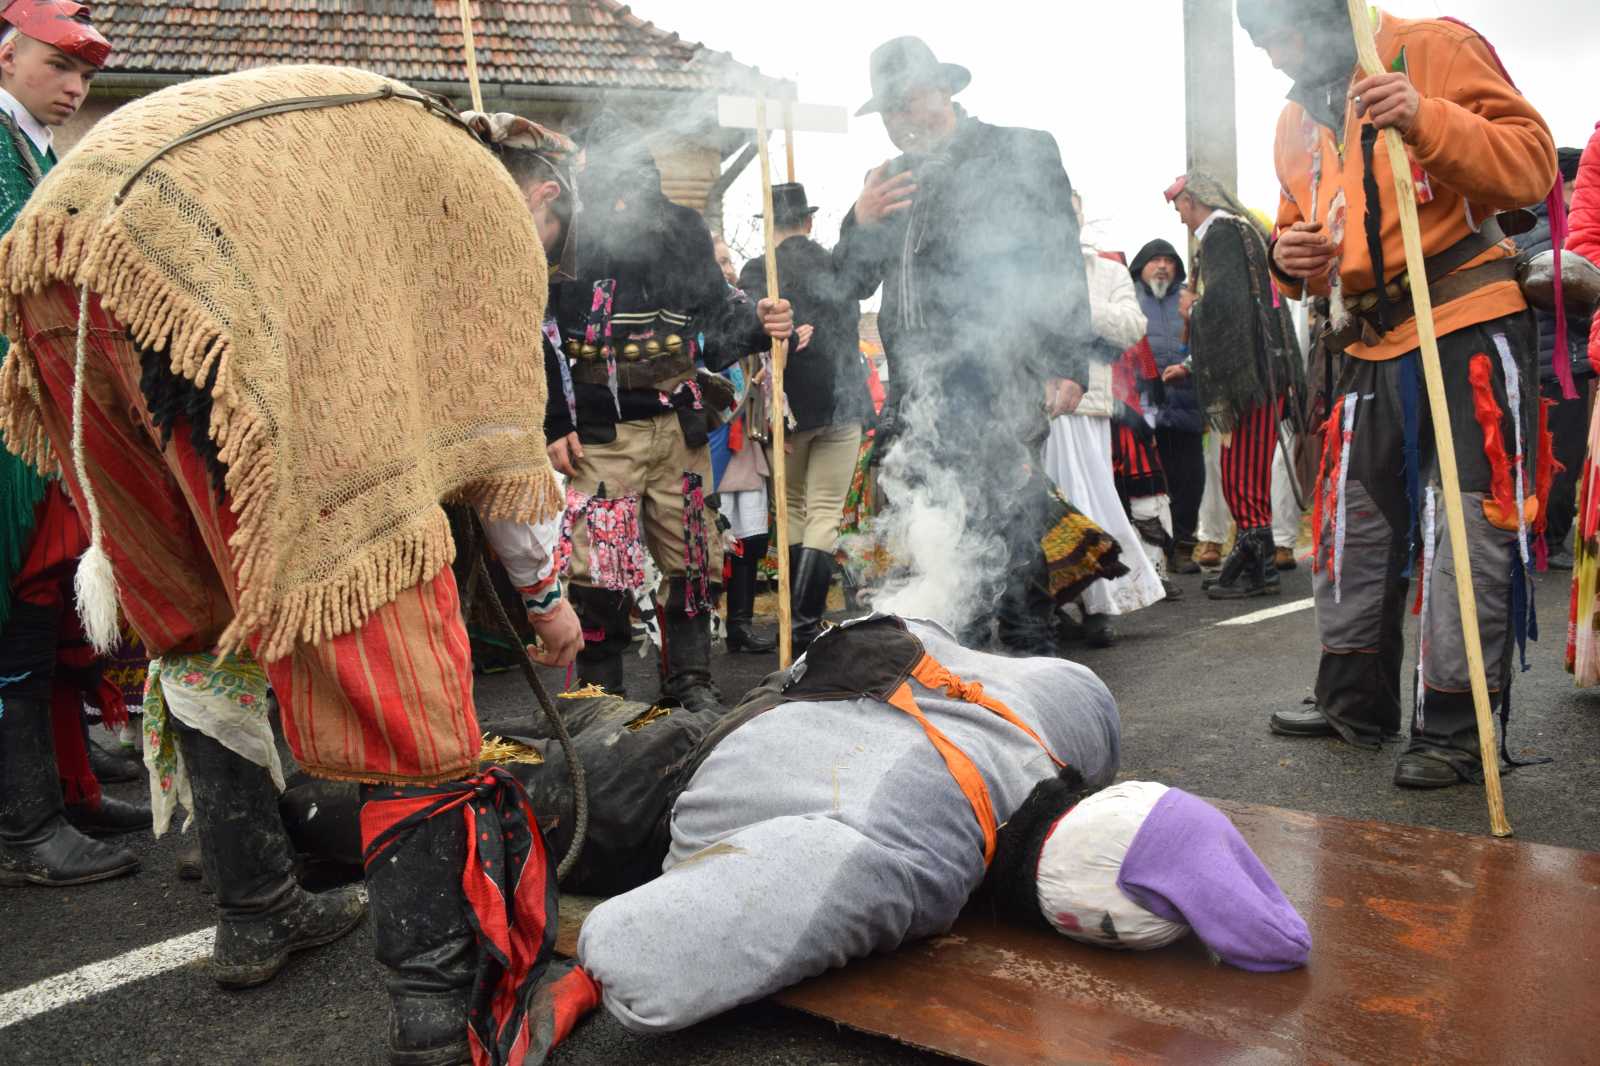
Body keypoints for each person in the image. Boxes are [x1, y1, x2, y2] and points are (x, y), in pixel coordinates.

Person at [0, 70, 599, 1064]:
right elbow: (503, 452)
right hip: (204, 268)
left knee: (196, 617)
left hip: (60, 255)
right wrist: (549, 604)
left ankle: (257, 905)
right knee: (396, 643)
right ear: (540, 200)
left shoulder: (390, 155)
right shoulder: (480, 209)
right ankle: (439, 1020)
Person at [1239, 1, 1558, 788]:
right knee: (1354, 522)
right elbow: (1296, 233)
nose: (1275, 57)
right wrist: (1292, 256)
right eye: (1260, 41)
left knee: (1469, 531)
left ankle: (1455, 723)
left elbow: (1531, 164)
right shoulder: (1292, 120)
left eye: (1281, 35)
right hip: (1366, 337)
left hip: (1465, 315)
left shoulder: (1429, 48)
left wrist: (1422, 115)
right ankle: (1354, 698)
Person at [835, 36, 1093, 655]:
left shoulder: (1019, 150)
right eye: (889, 111)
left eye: (908, 103)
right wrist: (858, 222)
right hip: (916, 389)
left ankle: (1033, 670)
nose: (899, 122)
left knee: (1013, 519)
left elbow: (1059, 257)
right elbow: (847, 281)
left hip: (1002, 370)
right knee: (938, 533)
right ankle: (963, 672)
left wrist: (1066, 361)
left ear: (944, 91)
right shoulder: (887, 183)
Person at [544, 113, 792, 706]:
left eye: (636, 176)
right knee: (599, 567)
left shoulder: (681, 228)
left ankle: (690, 683)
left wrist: (758, 325)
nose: (626, 196)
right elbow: (540, 331)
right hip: (601, 433)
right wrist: (555, 421)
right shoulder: (568, 234)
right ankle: (601, 696)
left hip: (678, 428)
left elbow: (716, 321)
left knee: (693, 556)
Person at [0, 0, 152, 889]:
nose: (76, 88)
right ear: (9, 54)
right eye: (61, 67)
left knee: (55, 607)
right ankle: (28, 829)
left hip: (42, 413)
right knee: (22, 610)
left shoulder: (32, 148)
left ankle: (69, 785)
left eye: (87, 75)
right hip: (11, 420)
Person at [738, 183, 875, 653]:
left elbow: (750, 334)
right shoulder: (834, 262)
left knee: (793, 510)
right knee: (824, 514)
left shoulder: (759, 271)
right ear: (809, 221)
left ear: (768, 225)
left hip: (790, 407)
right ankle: (804, 623)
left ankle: (796, 627)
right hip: (843, 401)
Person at [1164, 172, 1302, 599]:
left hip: (1248, 376)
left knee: (1242, 471)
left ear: (1192, 200)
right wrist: (1192, 363)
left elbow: (1225, 305)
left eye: (1180, 208)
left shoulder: (1221, 232)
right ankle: (1255, 563)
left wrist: (1194, 307)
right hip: (1258, 369)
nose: (1181, 218)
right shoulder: (1239, 231)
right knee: (1248, 470)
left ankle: (1256, 568)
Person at [1043, 195, 1170, 645]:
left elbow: (1133, 326)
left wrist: (1079, 308)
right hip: (1031, 404)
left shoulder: (1108, 271)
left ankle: (1100, 605)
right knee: (1043, 510)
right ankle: (1053, 604)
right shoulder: (1026, 269)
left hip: (1086, 402)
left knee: (1089, 502)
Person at [1514, 147, 1589, 569]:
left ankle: (1534, 538)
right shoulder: (1563, 230)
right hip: (1563, 363)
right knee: (1562, 457)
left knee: (1532, 455)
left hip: (1528, 365)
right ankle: (1550, 540)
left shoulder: (1524, 224)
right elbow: (1577, 302)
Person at [1132, 238, 1205, 573]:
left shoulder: (1191, 300)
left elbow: (1206, 343)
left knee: (1188, 480)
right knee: (1146, 485)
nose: (1162, 266)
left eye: (1168, 260)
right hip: (1142, 410)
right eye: (1154, 260)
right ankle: (1150, 554)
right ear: (1141, 266)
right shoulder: (1128, 299)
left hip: (1186, 403)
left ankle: (1184, 548)